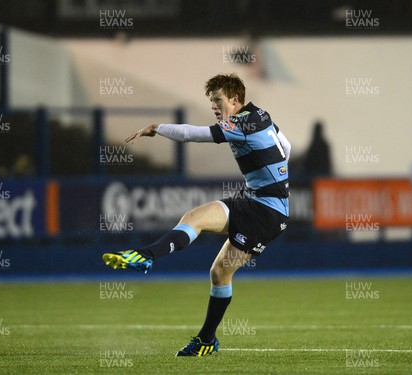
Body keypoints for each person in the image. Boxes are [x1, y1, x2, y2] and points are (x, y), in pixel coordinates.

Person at [103, 73, 291, 356]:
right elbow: (285, 148)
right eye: (211, 101)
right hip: (264, 205)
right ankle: (206, 340)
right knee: (219, 272)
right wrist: (271, 174)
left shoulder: (239, 123)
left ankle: (146, 255)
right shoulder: (260, 115)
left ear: (235, 100)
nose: (214, 106)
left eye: (218, 100)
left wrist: (157, 127)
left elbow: (194, 134)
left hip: (264, 209)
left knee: (196, 219)